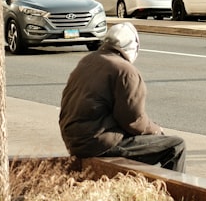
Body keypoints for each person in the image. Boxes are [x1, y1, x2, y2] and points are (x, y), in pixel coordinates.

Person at [58, 22, 186, 171]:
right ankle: (175, 194)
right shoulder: (125, 71)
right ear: (133, 47)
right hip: (99, 144)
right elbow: (133, 120)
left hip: (74, 141)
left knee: (149, 141)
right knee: (176, 146)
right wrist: (157, 131)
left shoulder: (88, 60)